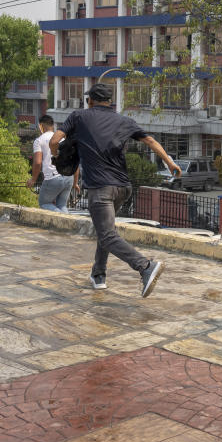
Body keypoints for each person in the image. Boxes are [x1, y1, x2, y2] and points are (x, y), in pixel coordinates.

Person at [50, 83, 181, 297]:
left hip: (100, 189)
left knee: (107, 234)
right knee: (106, 230)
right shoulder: (124, 121)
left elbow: (55, 140)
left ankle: (145, 267)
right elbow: (150, 140)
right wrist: (169, 163)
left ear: (90, 100)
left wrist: (56, 155)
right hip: (123, 188)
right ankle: (98, 275)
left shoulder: (79, 116)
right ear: (110, 102)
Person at [27, 115, 74, 212]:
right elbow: (73, 159)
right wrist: (76, 182)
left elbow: (37, 162)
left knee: (44, 203)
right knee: (62, 205)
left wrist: (33, 179)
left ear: (41, 126)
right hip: (69, 177)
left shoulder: (39, 140)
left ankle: (62, 219)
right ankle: (67, 224)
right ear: (53, 126)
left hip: (53, 178)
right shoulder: (62, 139)